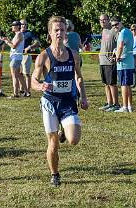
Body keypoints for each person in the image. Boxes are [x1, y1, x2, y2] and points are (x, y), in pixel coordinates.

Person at [31, 16, 88, 187]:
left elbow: (78, 77)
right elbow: (33, 80)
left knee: (74, 139)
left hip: (68, 102)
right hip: (50, 103)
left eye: (62, 30)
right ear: (50, 33)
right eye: (56, 30)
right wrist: (40, 86)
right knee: (53, 142)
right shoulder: (44, 56)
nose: (59, 33)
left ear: (66, 33)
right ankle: (55, 174)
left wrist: (83, 96)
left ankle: (65, 127)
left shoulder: (73, 55)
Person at [111, 16, 134, 112]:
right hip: (128, 62)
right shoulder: (127, 31)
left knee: (124, 85)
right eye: (113, 25)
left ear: (121, 22)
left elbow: (120, 46)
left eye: (116, 24)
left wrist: (117, 57)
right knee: (127, 85)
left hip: (124, 63)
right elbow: (121, 46)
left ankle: (124, 107)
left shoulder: (123, 32)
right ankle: (129, 106)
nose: (115, 26)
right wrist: (115, 50)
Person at [98, 14, 119, 111]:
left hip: (110, 62)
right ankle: (109, 103)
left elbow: (119, 45)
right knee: (106, 83)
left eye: (104, 20)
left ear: (108, 20)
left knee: (112, 83)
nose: (102, 21)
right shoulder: (104, 31)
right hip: (102, 60)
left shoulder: (114, 30)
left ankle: (116, 104)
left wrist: (115, 56)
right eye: (100, 20)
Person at [2, 21, 27, 98]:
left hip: (16, 58)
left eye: (13, 25)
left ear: (18, 26)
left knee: (14, 76)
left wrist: (6, 42)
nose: (12, 27)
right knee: (19, 75)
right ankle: (26, 92)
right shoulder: (17, 34)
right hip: (16, 57)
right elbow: (14, 45)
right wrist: (7, 40)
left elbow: (13, 46)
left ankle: (15, 94)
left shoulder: (19, 34)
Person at [20, 19, 40, 96]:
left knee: (27, 74)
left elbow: (37, 42)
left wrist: (30, 46)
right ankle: (22, 89)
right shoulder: (17, 33)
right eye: (22, 24)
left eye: (25, 24)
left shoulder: (29, 33)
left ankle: (28, 91)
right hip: (18, 55)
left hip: (26, 55)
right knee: (19, 73)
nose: (23, 26)